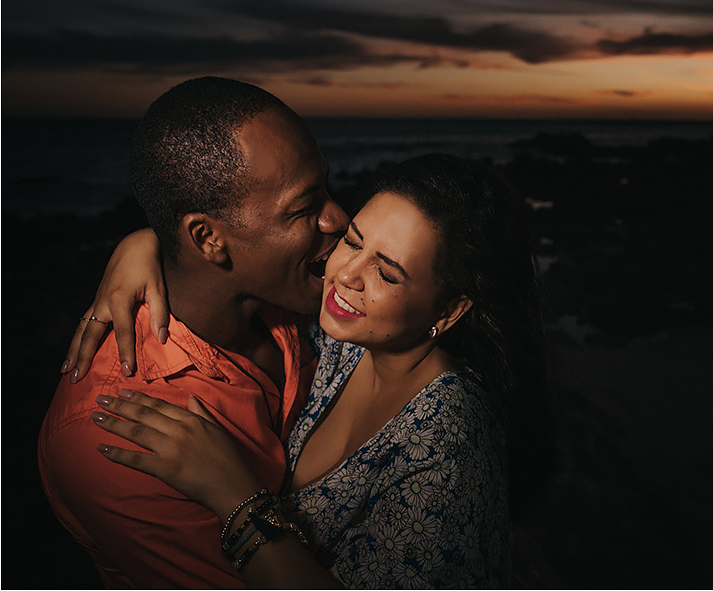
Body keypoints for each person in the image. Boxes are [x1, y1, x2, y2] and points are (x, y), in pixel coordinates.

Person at [64, 155, 554, 588]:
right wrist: (142, 244)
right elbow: (234, 254)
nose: (344, 273)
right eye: (354, 241)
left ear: (448, 311)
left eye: (387, 273)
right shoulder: (343, 341)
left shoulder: (446, 440)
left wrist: (230, 491)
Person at [38, 76, 350, 588]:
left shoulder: (297, 296)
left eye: (327, 189)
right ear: (208, 238)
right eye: (303, 208)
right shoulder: (114, 437)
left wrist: (142, 240)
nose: (338, 219)